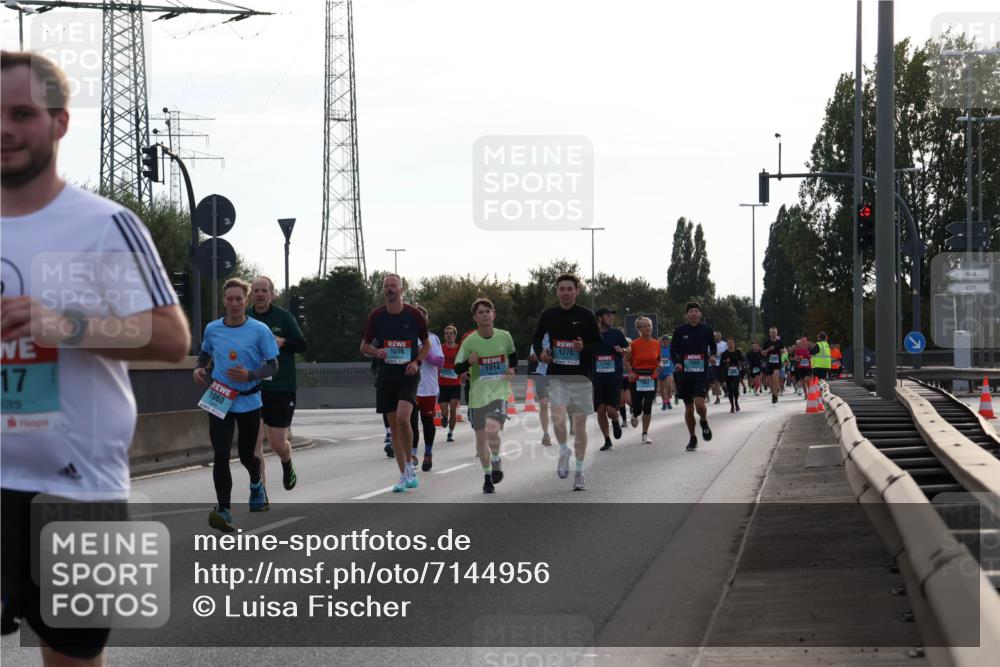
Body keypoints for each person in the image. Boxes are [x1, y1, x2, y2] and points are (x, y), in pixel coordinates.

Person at [1, 50, 190, 665]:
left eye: (22, 113)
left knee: (72, 660)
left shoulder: (105, 224)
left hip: (81, 494)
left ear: (60, 123)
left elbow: (171, 338)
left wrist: (66, 325)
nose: (4, 128)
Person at [196, 279, 280, 531]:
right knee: (220, 454)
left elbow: (273, 366)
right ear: (224, 300)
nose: (234, 303)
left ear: (246, 301)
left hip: (249, 399)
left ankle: (256, 481)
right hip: (219, 396)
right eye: (229, 299)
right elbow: (204, 353)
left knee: (246, 454)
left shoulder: (259, 330)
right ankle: (224, 511)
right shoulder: (213, 329)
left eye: (239, 299)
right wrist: (199, 367)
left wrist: (251, 375)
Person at [360, 274, 429, 493]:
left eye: (393, 286)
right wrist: (377, 351)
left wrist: (417, 362)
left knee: (402, 418)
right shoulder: (376, 316)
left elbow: (426, 344)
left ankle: (410, 462)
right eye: (386, 286)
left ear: (402, 289)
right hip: (386, 375)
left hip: (408, 373)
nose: (390, 289)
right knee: (393, 426)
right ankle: (403, 474)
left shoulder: (414, 314)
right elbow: (363, 346)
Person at [532, 274, 602, 491]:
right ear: (557, 292)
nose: (565, 293)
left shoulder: (586, 315)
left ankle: (579, 473)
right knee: (558, 419)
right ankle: (564, 450)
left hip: (581, 377)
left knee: (579, 427)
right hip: (557, 376)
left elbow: (598, 345)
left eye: (569, 289)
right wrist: (541, 353)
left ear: (577, 291)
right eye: (561, 289)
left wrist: (584, 348)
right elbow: (536, 338)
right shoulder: (548, 315)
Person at [453, 298, 517, 494]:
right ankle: (488, 475)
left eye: (487, 311)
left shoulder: (504, 336)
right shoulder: (470, 341)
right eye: (480, 312)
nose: (485, 315)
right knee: (481, 438)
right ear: (475, 317)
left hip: (499, 391)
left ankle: (496, 460)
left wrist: (512, 369)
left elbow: (513, 356)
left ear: (493, 314)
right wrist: (468, 363)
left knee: (492, 429)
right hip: (477, 396)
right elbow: (457, 367)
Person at [248, 276, 304, 493]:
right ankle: (260, 491)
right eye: (256, 290)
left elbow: (302, 344)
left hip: (281, 388)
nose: (260, 294)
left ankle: (286, 461)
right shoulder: (246, 318)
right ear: (251, 294)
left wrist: (284, 342)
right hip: (253, 388)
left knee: (277, 443)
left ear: (272, 294)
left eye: (264, 290)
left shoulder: (284, 317)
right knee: (254, 443)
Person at [670, 302, 717, 451]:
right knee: (689, 409)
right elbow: (673, 350)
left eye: (696, 311)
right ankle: (693, 438)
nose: (694, 314)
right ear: (686, 315)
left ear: (700, 314)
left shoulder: (707, 330)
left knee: (700, 405)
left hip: (701, 373)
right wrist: (677, 362)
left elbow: (713, 346)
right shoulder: (679, 330)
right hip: (684, 375)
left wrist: (713, 356)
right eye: (691, 311)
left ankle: (703, 421)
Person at [593, 307, 628, 451]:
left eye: (611, 316)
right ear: (600, 318)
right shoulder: (592, 334)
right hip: (597, 378)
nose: (611, 318)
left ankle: (615, 420)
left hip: (614, 377)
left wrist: (623, 351)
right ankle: (607, 440)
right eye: (608, 315)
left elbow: (629, 349)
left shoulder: (617, 333)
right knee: (600, 409)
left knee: (610, 410)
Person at [414, 306, 444, 471]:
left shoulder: (433, 338)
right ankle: (412, 454)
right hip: (409, 387)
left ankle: (428, 453)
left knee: (427, 422)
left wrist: (424, 353)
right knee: (410, 423)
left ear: (426, 320)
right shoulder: (406, 337)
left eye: (422, 317)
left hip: (428, 387)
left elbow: (440, 362)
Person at [625, 316, 660, 444]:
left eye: (649, 326)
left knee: (648, 406)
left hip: (651, 377)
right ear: (639, 329)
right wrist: (630, 373)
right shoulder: (633, 344)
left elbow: (659, 360)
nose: (648, 328)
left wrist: (659, 366)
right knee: (638, 407)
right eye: (645, 326)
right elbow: (626, 360)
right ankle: (635, 414)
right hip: (637, 379)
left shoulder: (656, 343)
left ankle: (645, 434)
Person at [527, 333, 552, 446]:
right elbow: (533, 355)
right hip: (541, 373)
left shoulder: (560, 332)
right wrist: (535, 356)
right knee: (543, 403)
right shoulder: (538, 337)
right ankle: (546, 434)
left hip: (557, 372)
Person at [439, 325, 462, 442]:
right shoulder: (440, 348)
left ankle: (451, 432)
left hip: (455, 384)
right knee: (444, 411)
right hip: (442, 384)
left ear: (455, 335)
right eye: (446, 333)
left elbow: (464, 363)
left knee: (453, 410)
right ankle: (443, 417)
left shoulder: (459, 349)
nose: (448, 335)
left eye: (450, 333)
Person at [720, 337, 744, 413]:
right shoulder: (725, 354)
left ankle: (736, 402)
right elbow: (721, 364)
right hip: (728, 373)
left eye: (731, 343)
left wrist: (740, 365)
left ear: (734, 344)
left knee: (735, 389)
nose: (730, 345)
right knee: (730, 390)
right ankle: (732, 406)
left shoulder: (738, 352)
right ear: (727, 345)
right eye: (728, 343)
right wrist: (726, 363)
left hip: (736, 372)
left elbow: (743, 361)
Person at [761, 327, 784, 404]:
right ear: (769, 333)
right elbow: (762, 352)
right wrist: (769, 349)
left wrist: (783, 351)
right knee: (771, 381)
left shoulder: (779, 342)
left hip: (777, 363)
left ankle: (775, 395)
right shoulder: (767, 342)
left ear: (776, 333)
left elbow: (783, 350)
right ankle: (774, 391)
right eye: (772, 332)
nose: (773, 334)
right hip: (769, 364)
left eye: (774, 332)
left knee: (775, 377)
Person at [710, 330, 728, 404]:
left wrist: (721, 354)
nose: (716, 337)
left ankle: (726, 388)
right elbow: (708, 353)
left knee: (722, 380)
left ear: (720, 336)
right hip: (714, 365)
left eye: (717, 336)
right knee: (715, 381)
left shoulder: (724, 344)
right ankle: (717, 398)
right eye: (715, 336)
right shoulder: (710, 345)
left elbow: (728, 352)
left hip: (722, 365)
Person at [658, 334, 675, 410]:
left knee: (669, 385)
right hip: (661, 370)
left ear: (669, 341)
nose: (665, 342)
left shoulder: (671, 348)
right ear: (661, 341)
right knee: (662, 388)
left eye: (667, 340)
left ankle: (668, 400)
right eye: (664, 340)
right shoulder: (659, 349)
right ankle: (665, 402)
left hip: (669, 369)